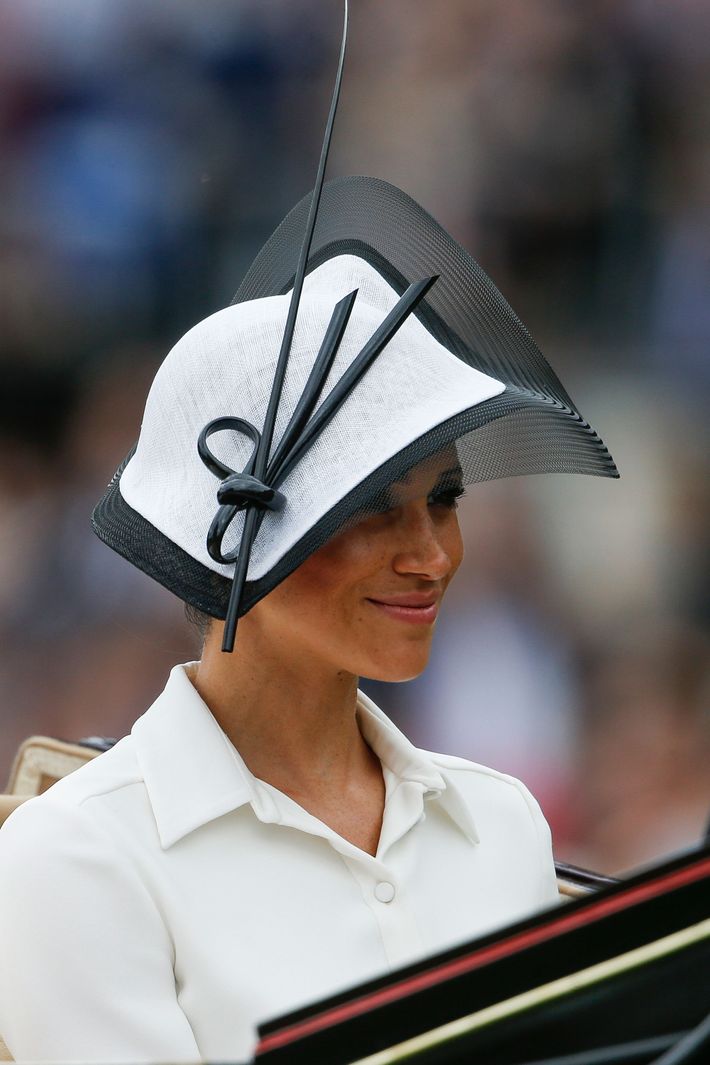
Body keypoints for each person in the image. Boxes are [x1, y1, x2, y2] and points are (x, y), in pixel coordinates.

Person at [0, 15, 618, 1058]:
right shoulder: (79, 858)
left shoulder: (499, 825)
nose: (428, 554)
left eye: (444, 500)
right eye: (371, 508)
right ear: (227, 539)